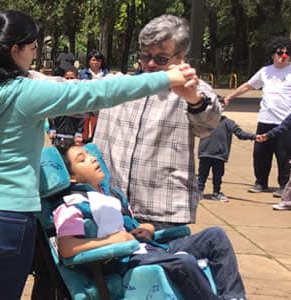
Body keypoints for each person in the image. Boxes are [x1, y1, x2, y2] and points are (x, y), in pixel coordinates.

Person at [0, 11, 198, 299]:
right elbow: (97, 92)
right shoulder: (25, 93)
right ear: (14, 50)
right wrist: (165, 79)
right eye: (32, 49)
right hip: (7, 218)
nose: (33, 56)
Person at [53, 144, 247, 300]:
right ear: (71, 177)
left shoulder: (113, 195)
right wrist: (111, 241)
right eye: (82, 159)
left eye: (89, 154)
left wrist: (145, 228)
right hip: (123, 260)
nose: (93, 158)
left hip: (149, 247)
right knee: (183, 262)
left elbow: (130, 227)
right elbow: (66, 247)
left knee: (215, 236)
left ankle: (234, 297)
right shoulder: (72, 206)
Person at [93, 15, 222, 229]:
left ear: (181, 56)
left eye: (161, 58)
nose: (151, 64)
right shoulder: (120, 86)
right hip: (111, 206)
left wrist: (192, 99)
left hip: (163, 212)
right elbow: (71, 93)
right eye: (145, 56)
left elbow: (208, 123)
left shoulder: (192, 90)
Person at [223, 36, 291, 197]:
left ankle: (283, 185)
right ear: (273, 54)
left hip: (285, 122)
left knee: (284, 155)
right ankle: (261, 182)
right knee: (260, 153)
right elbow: (248, 85)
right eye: (280, 52)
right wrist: (229, 97)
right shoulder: (265, 72)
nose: (283, 56)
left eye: (287, 53)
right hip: (265, 120)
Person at [198, 116, 256, 201]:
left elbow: (240, 134)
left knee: (217, 176)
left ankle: (215, 192)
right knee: (202, 175)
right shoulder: (204, 119)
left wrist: (254, 137)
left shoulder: (228, 122)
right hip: (206, 153)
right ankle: (199, 192)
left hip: (219, 155)